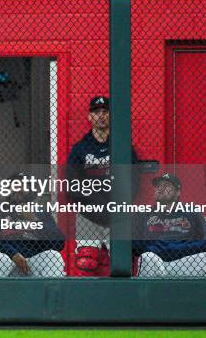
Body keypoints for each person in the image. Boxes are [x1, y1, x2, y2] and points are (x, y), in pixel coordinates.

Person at [66, 95, 139, 276]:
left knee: (124, 263)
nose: (101, 115)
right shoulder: (79, 149)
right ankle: (88, 302)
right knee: (86, 261)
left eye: (105, 112)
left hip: (118, 213)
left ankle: (122, 301)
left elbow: (134, 181)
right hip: (89, 215)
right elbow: (72, 187)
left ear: (111, 115)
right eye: (96, 112)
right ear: (89, 117)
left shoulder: (122, 146)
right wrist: (95, 206)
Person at [132, 173, 206, 277]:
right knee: (147, 257)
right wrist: (156, 247)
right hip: (156, 261)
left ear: (177, 192)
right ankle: (152, 293)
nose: (160, 189)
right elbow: (135, 244)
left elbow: (205, 244)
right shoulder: (144, 214)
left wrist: (171, 247)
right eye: (158, 186)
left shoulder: (191, 212)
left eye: (166, 186)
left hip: (184, 262)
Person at [0, 181, 65, 278]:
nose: (18, 188)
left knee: (53, 256)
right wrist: (13, 254)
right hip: (1, 260)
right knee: (1, 259)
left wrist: (34, 221)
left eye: (22, 185)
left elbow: (59, 243)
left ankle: (54, 293)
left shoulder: (40, 213)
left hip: (30, 263)